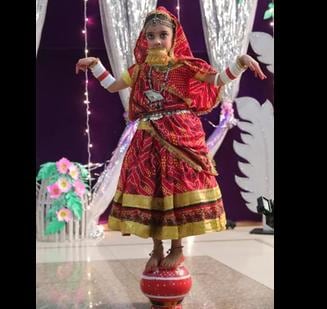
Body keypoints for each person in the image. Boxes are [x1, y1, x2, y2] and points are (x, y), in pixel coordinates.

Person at [75, 6, 266, 272]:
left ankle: (177, 248)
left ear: (173, 37)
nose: (156, 41)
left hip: (180, 137)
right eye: (150, 35)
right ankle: (155, 248)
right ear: (144, 38)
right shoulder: (139, 70)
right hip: (147, 138)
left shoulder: (186, 66)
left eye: (162, 35)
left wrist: (241, 62)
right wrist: (95, 65)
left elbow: (217, 79)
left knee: (175, 190)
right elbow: (112, 86)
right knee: (150, 191)